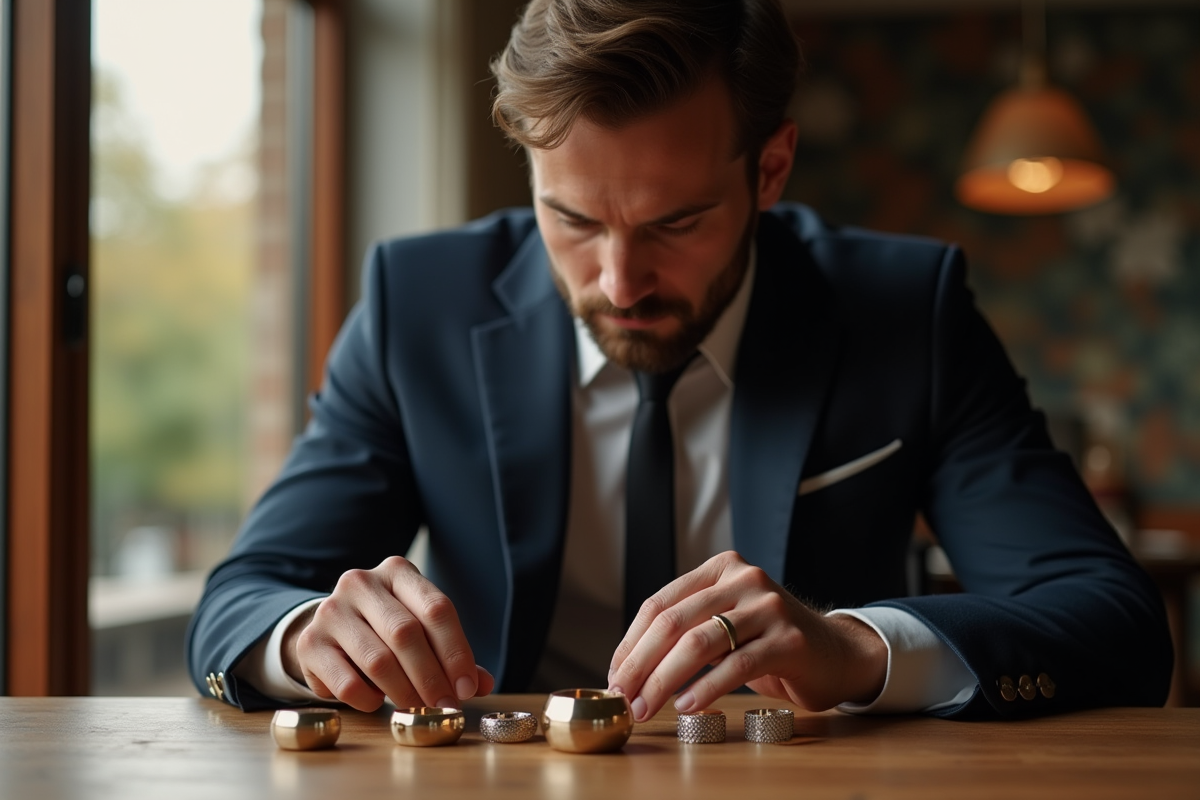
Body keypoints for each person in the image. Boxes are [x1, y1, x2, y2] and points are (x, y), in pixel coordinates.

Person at [187, 0, 1172, 721]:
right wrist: (310, 633)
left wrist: (854, 645)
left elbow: (1117, 626)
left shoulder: (905, 313)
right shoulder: (419, 306)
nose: (619, 281)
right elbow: (242, 599)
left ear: (770, 170)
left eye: (678, 221)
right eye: (571, 218)